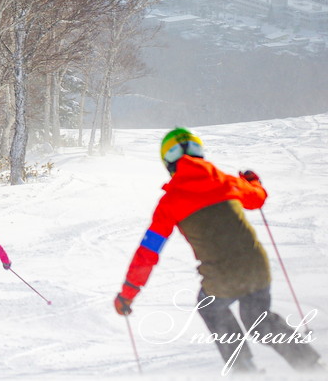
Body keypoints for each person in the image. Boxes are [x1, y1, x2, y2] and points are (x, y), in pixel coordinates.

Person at [113, 128, 320, 373]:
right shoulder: (227, 181)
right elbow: (257, 198)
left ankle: (245, 372)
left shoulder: (170, 202)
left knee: (209, 306)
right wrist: (252, 182)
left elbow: (148, 253)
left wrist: (128, 293)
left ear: (168, 161)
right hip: (257, 269)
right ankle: (311, 367)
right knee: (258, 321)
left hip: (221, 278)